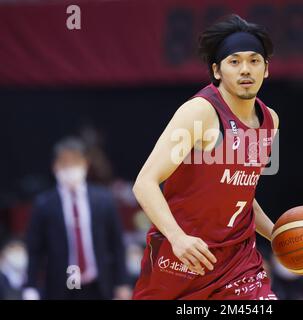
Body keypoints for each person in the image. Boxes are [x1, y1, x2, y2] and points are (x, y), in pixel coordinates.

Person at [132, 14, 279, 300]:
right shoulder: (200, 112)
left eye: (254, 60)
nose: (245, 70)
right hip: (184, 255)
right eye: (234, 62)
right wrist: (177, 238)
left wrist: (277, 235)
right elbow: (145, 183)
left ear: (266, 69)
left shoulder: (270, 121)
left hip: (239, 262)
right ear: (217, 71)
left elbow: (242, 192)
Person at [24, 137, 131, 300]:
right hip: (60, 286)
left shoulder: (104, 199)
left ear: (85, 164)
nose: (69, 168)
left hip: (99, 284)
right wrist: (30, 286)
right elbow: (35, 250)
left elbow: (116, 244)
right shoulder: (44, 204)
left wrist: (122, 282)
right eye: (64, 163)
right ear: (55, 166)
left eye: (74, 162)